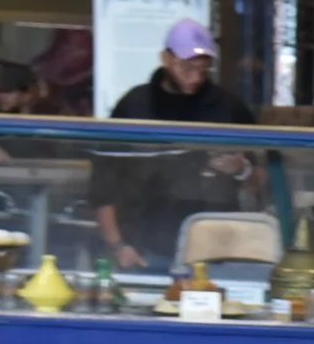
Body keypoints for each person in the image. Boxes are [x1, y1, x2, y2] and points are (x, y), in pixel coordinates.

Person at [91, 19, 256, 273]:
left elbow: (264, 183)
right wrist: (117, 246)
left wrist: (242, 170)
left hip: (215, 252)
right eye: (187, 68)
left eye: (203, 69)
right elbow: (103, 185)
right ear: (166, 59)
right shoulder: (135, 106)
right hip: (142, 250)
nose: (196, 78)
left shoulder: (229, 108)